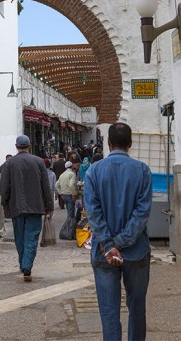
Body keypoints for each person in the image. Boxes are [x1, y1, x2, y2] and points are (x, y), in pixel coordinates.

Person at [84, 123, 152, 341]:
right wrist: (122, 241)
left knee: (109, 312)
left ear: (108, 143)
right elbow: (142, 213)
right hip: (137, 251)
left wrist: (109, 244)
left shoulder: (94, 171)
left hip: (104, 253)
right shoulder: (142, 171)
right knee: (137, 308)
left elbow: (93, 213)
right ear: (130, 144)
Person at [0, 135, 54, 282]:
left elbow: (4, 187)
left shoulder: (8, 164)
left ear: (16, 146)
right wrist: (49, 205)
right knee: (31, 238)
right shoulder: (39, 162)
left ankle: (24, 264)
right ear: (29, 145)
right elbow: (46, 187)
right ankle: (27, 266)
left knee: (19, 238)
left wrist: (5, 203)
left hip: (16, 206)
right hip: (36, 206)